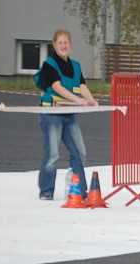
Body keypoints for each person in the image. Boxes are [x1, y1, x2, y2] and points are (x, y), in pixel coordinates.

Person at [36, 29, 96, 200]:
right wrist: (78, 101)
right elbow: (57, 87)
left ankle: (76, 188)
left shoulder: (75, 66)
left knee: (80, 152)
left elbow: (82, 86)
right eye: (60, 43)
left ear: (70, 45)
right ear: (55, 45)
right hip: (51, 113)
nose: (63, 45)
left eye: (66, 42)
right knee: (53, 154)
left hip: (68, 114)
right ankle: (46, 191)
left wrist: (91, 100)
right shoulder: (49, 65)